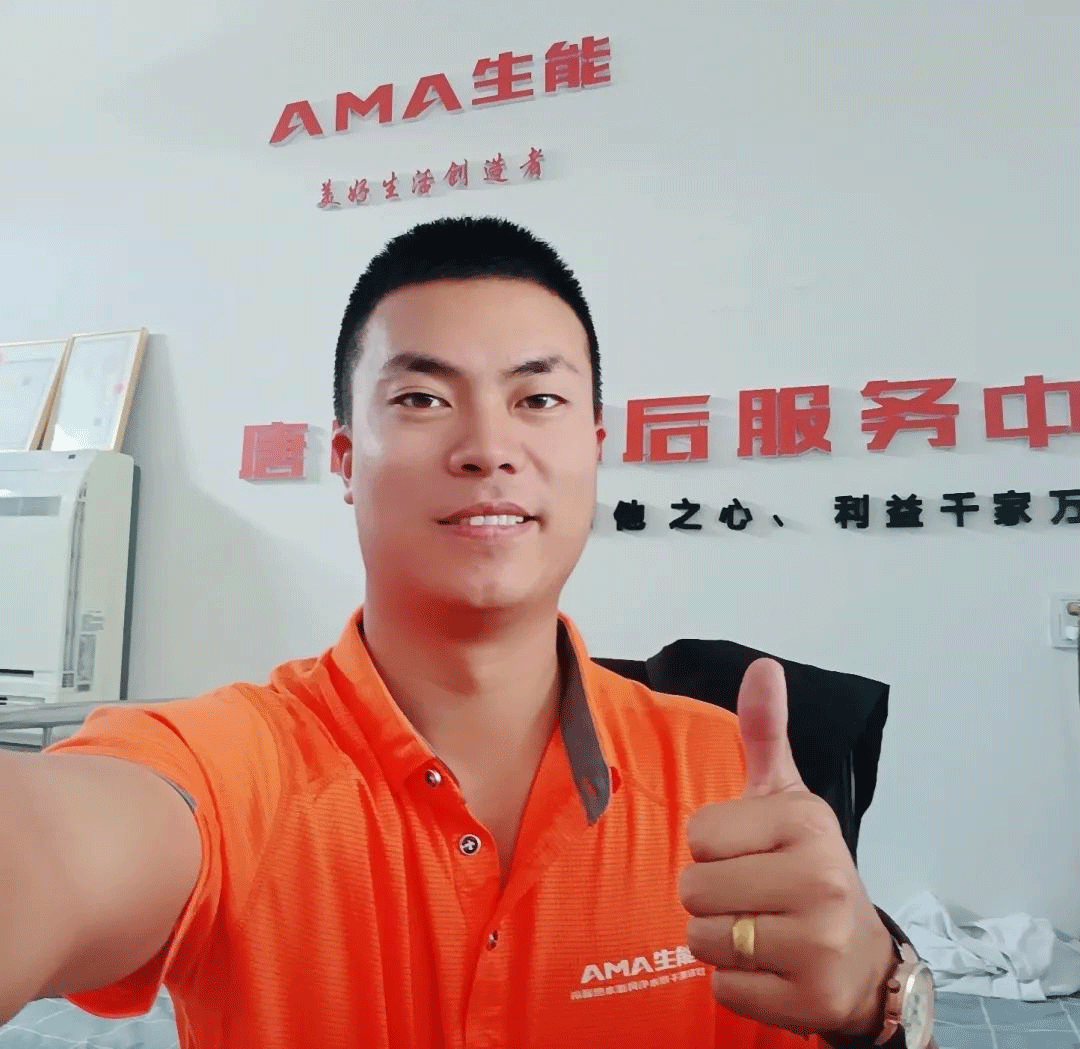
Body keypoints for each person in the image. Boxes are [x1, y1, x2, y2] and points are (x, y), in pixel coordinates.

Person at [0, 216, 936, 1049]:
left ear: (595, 448)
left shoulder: (721, 777)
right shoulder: (232, 766)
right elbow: (51, 851)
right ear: (344, 460)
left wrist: (875, 1000)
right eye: (422, 398)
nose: (488, 447)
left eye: (538, 399)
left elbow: (858, 1001)